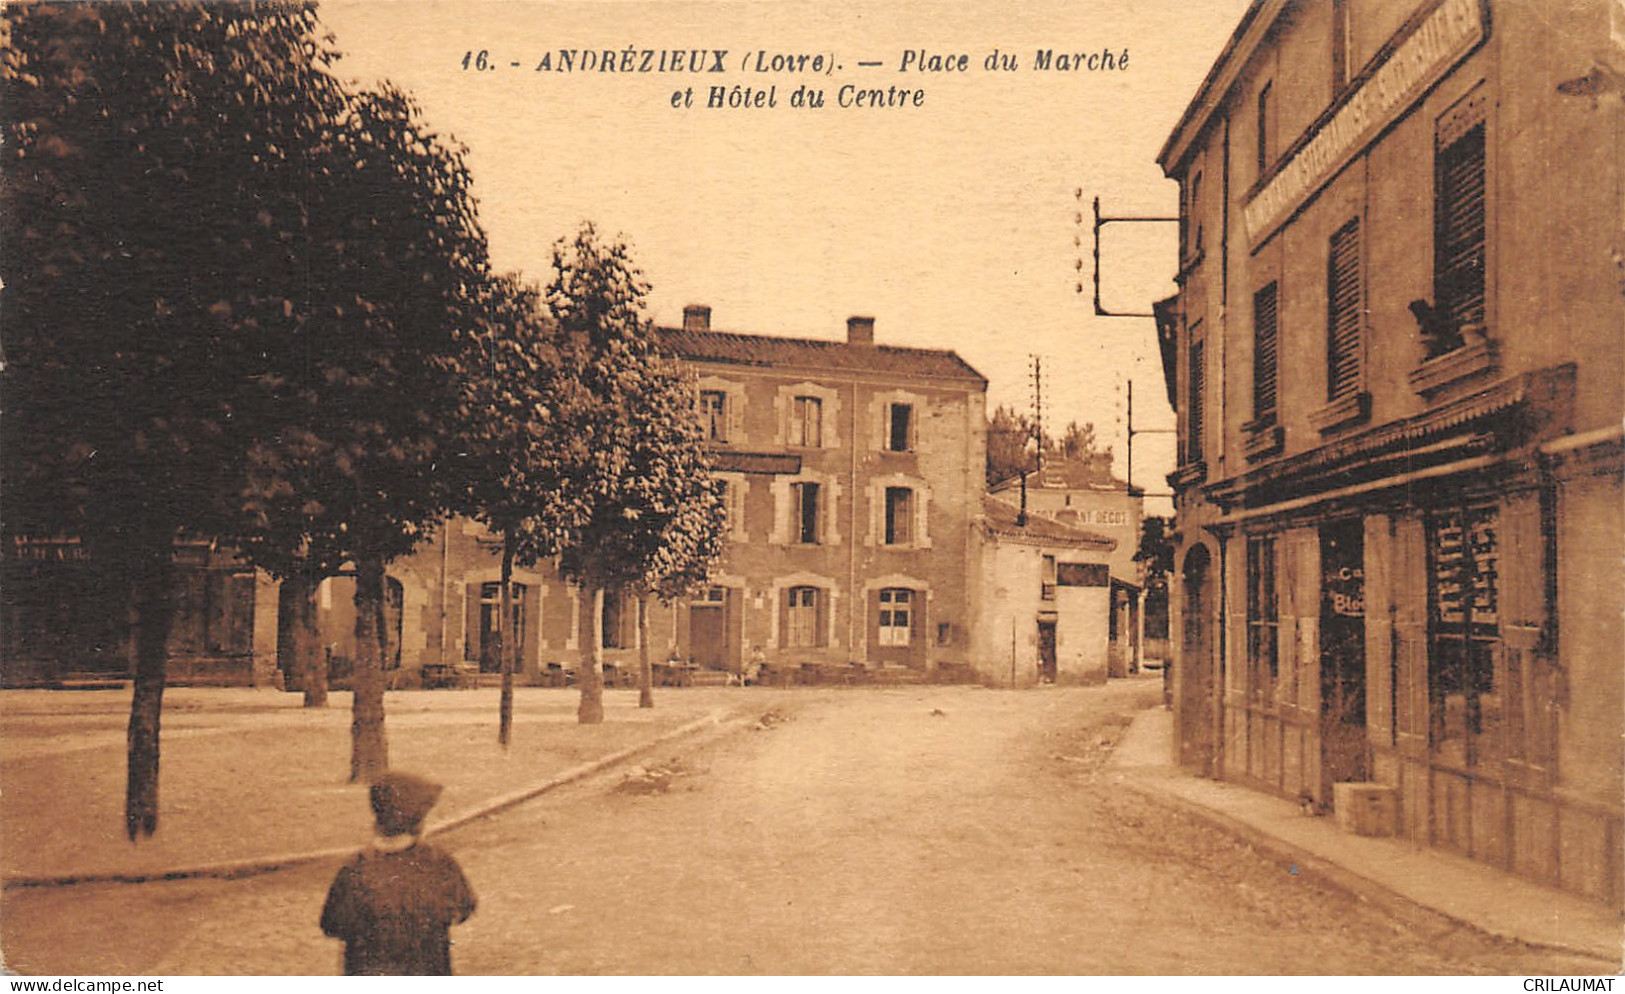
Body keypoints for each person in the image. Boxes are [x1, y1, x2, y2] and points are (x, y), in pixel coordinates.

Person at [320, 771, 476, 975]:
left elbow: (332, 925)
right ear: (419, 822)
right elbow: (464, 908)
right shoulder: (437, 863)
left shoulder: (355, 869)